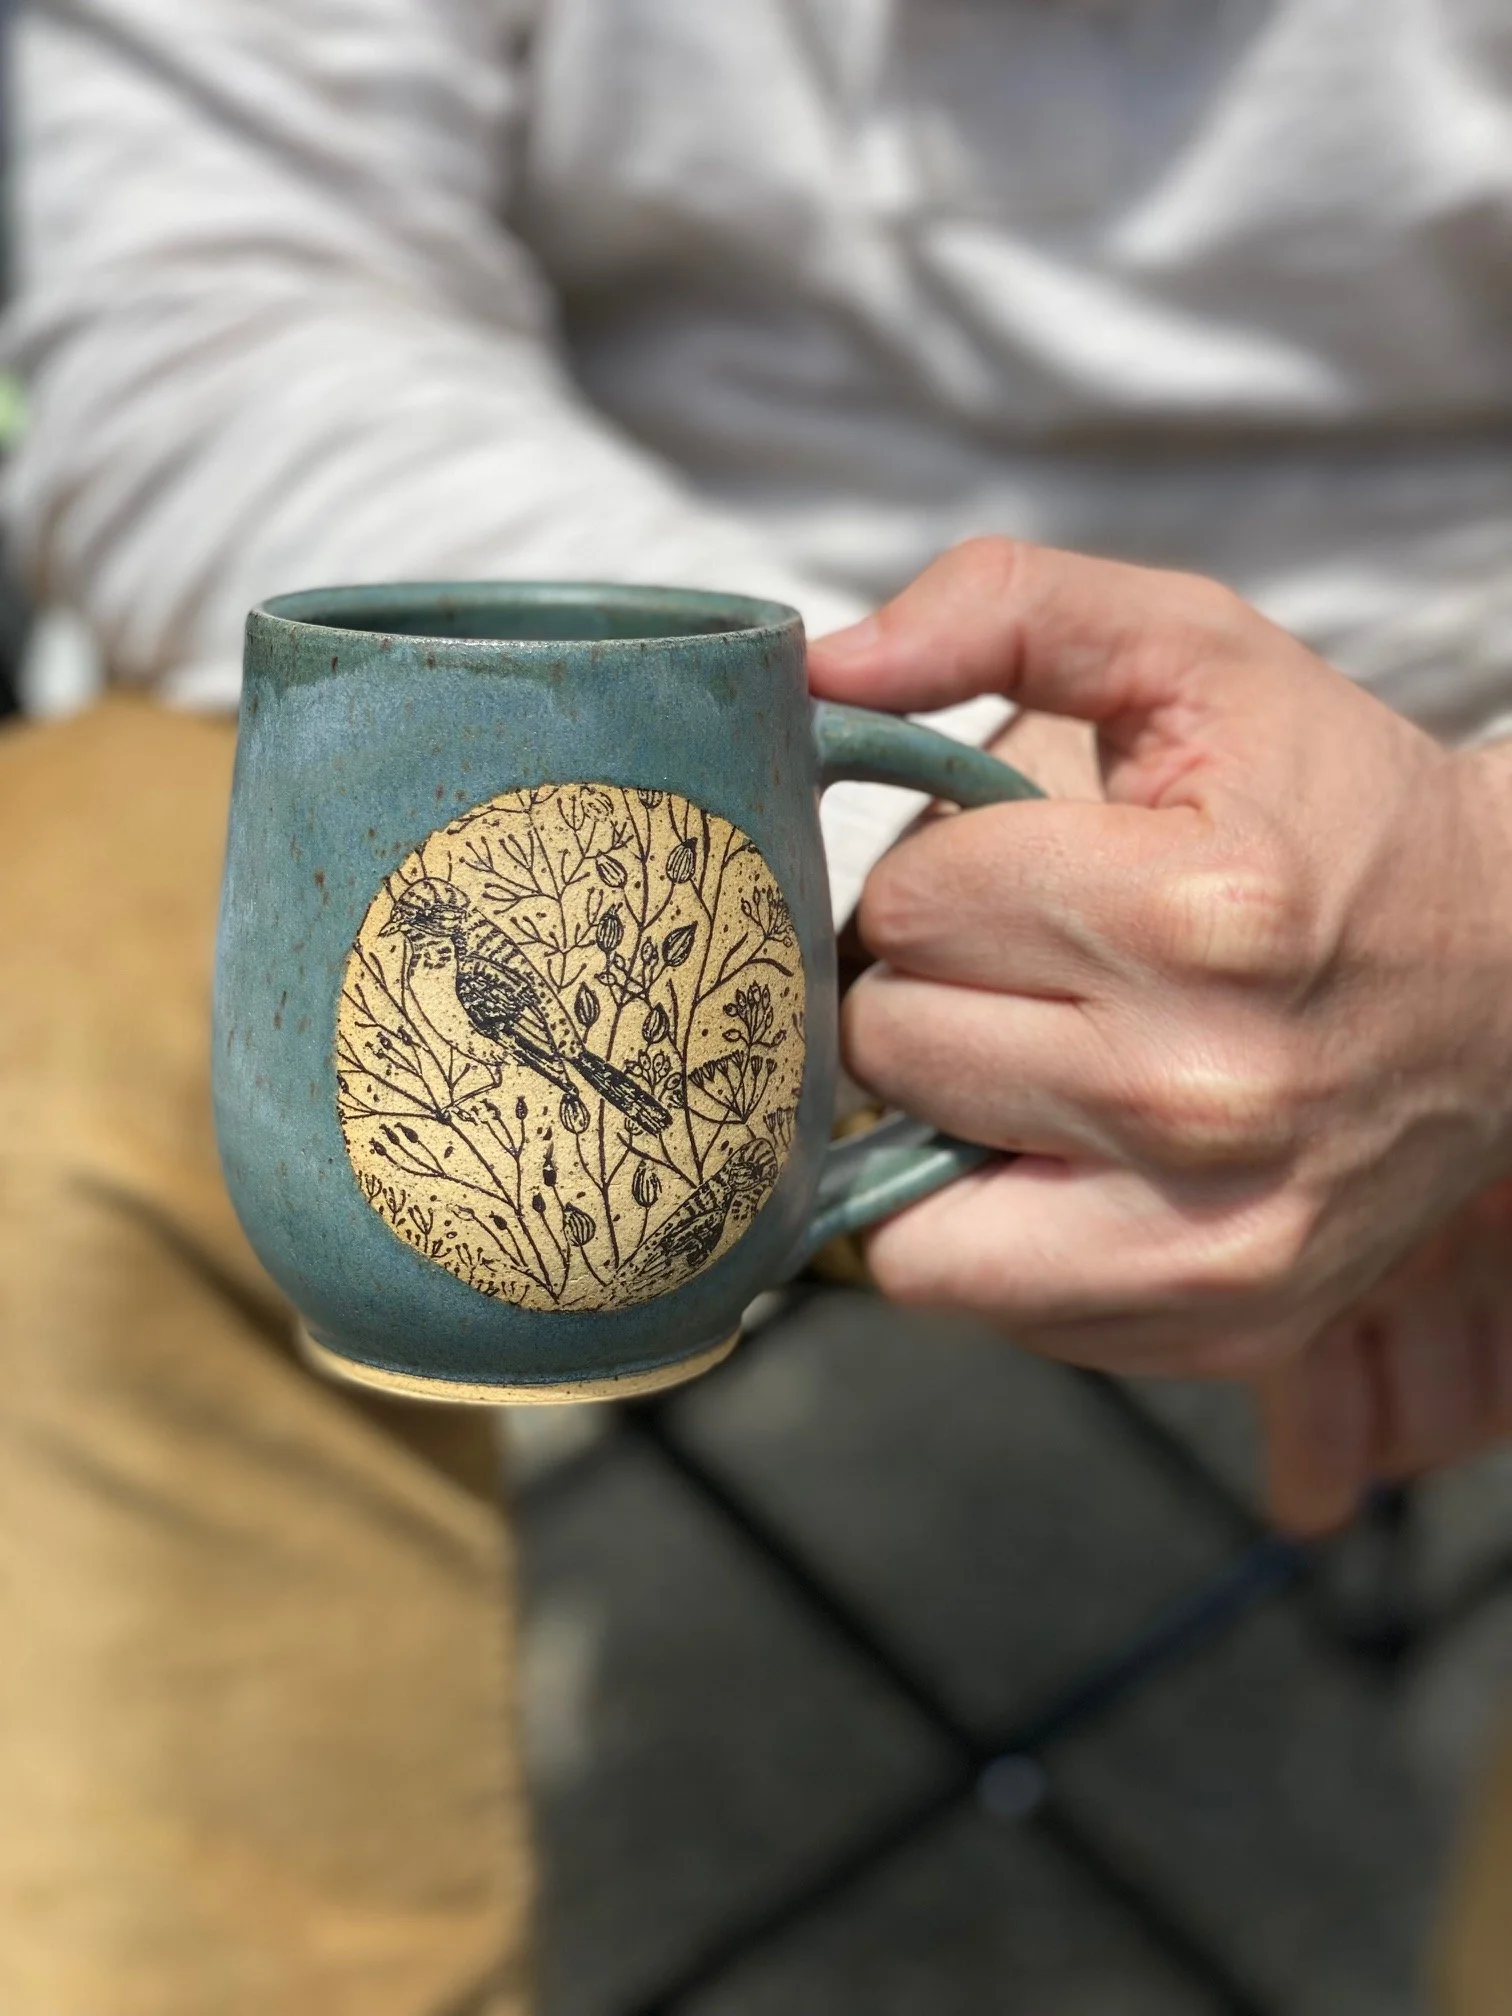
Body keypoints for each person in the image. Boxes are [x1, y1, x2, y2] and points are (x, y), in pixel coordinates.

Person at [5, 2, 1512, 2011]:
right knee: (44, 1055)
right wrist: (949, 836)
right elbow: (223, 286)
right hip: (591, 635)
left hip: (1467, 682)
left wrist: (1467, 916)